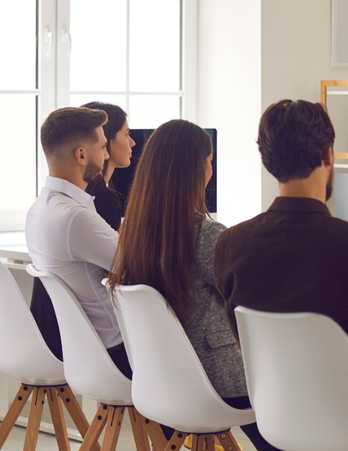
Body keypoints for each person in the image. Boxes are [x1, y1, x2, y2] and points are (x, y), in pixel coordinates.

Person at [214, 100, 348, 450]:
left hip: (280, 415)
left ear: (268, 161)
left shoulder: (230, 244)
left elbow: (246, 342)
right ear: (328, 155)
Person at [107, 119, 278, 451]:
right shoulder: (207, 235)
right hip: (218, 383)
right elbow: (253, 301)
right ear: (200, 168)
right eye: (210, 160)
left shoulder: (133, 234)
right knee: (293, 392)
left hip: (160, 383)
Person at [25, 107, 130, 374]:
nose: (106, 155)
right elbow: (137, 264)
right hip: (114, 356)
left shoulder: (39, 210)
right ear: (81, 155)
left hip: (83, 351)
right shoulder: (75, 218)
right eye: (103, 147)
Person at [82, 101, 135, 231]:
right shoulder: (103, 199)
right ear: (105, 139)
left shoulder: (84, 190)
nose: (132, 143)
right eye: (126, 134)